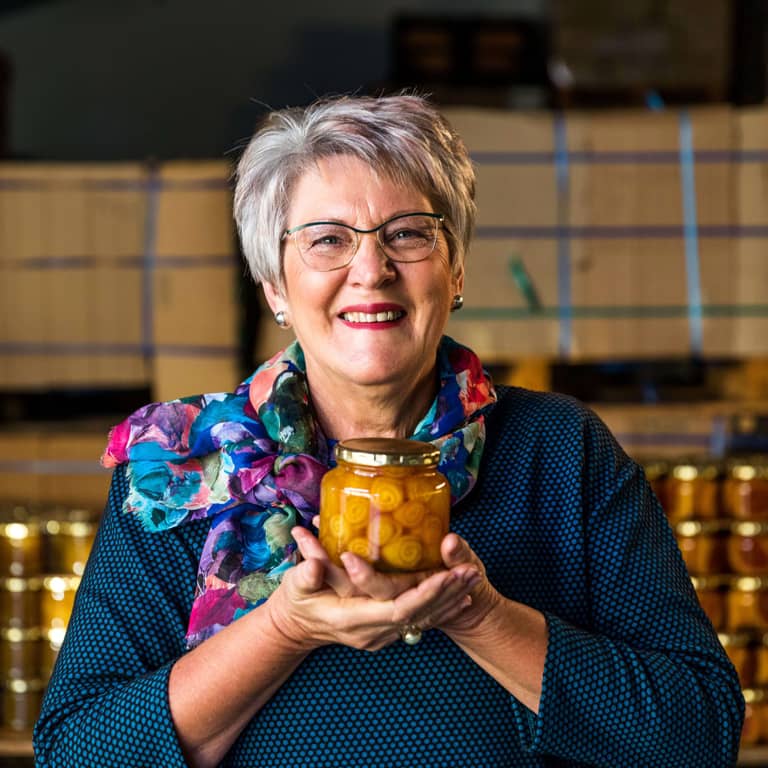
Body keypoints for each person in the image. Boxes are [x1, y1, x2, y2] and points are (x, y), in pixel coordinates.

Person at [34, 93, 743, 768]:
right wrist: (287, 628)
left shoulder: (558, 450)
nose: (370, 270)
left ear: (456, 267)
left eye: (407, 234)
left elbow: (701, 732)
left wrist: (478, 614)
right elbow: (76, 752)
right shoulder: (185, 466)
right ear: (274, 286)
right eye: (327, 240)